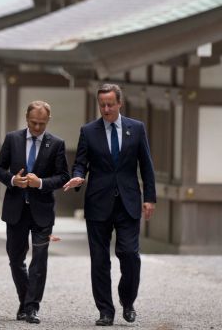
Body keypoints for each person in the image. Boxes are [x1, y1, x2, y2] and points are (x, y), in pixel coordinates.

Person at [63, 83, 156, 326]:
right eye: (102, 105)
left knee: (129, 254)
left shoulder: (136, 129)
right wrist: (78, 175)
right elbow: (81, 162)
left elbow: (146, 165)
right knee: (100, 259)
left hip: (128, 201)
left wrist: (149, 198)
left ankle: (128, 300)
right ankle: (105, 310)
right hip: (98, 202)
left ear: (119, 104)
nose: (105, 109)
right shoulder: (89, 131)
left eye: (110, 104)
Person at [0, 101, 69, 325]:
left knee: (39, 260)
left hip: (42, 211)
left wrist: (41, 183)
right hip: (16, 209)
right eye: (34, 123)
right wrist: (14, 180)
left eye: (42, 124)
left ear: (48, 121)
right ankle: (25, 300)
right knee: (15, 259)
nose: (37, 128)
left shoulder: (56, 144)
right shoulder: (12, 139)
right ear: (26, 119)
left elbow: (64, 176)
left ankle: (32, 307)